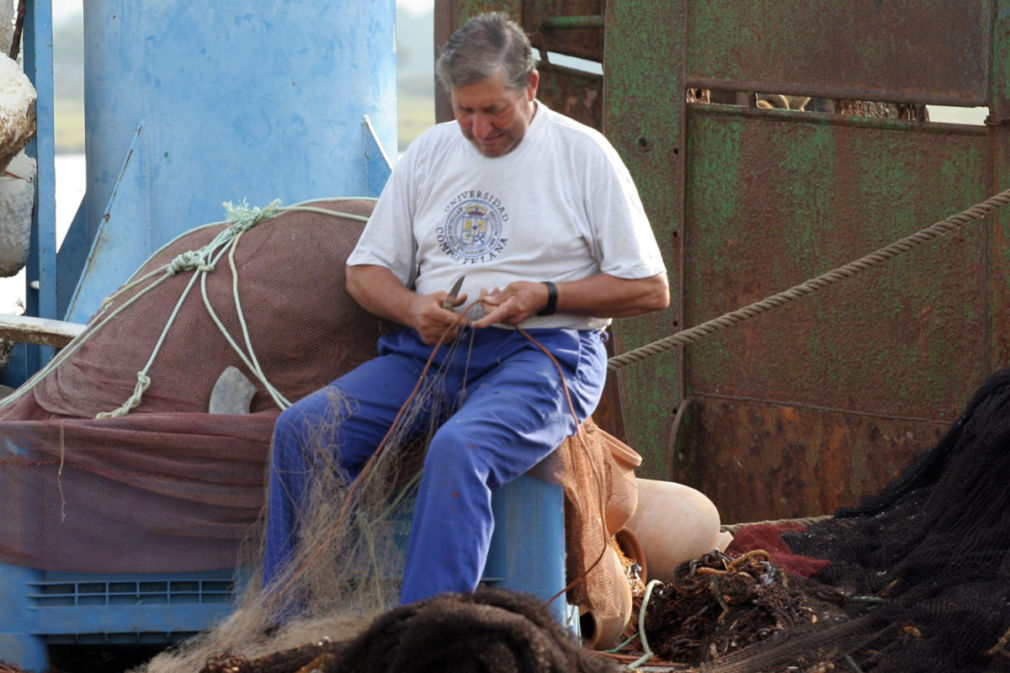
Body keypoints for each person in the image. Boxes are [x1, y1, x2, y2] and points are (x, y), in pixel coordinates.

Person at [263, 11, 669, 606]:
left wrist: (545, 295)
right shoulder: (429, 153)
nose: (479, 130)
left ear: (531, 86)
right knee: (301, 431)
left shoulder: (586, 155)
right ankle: (287, 620)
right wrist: (412, 307)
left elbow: (649, 288)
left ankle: (429, 630)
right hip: (430, 351)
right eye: (464, 111)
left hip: (546, 354)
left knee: (461, 449)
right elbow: (364, 273)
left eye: (494, 111)